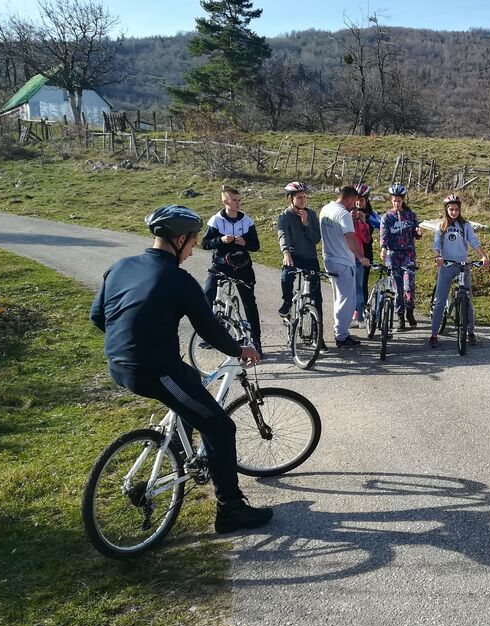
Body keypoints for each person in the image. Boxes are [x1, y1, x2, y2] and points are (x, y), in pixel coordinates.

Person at [89, 205, 271, 534]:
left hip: (117, 363)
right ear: (180, 239)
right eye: (193, 240)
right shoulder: (179, 279)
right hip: (155, 370)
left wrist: (131, 341)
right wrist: (240, 350)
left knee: (191, 385)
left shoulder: (120, 266)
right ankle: (230, 509)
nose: (194, 247)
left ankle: (178, 448)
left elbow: (98, 316)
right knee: (220, 428)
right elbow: (210, 330)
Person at [201, 185, 263, 354]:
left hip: (242, 266)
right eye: (234, 200)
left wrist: (245, 243)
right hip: (221, 265)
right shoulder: (216, 220)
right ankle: (208, 335)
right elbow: (204, 243)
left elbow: (256, 246)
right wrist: (220, 240)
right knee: (207, 294)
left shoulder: (247, 220)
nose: (238, 203)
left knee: (249, 303)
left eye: (239, 200)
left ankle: (256, 341)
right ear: (225, 201)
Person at [429, 194, 490, 348]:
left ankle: (470, 332)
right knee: (439, 301)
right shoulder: (441, 226)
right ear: (446, 210)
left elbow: (474, 241)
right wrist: (438, 256)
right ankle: (434, 334)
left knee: (468, 299)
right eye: (451, 209)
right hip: (446, 265)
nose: (454, 212)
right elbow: (436, 243)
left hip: (463, 266)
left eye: (456, 209)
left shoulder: (465, 226)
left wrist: (484, 256)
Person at [320, 185, 372, 347]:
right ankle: (342, 336)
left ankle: (339, 330)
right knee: (347, 301)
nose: (354, 206)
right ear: (350, 199)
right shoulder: (343, 214)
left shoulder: (326, 209)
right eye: (354, 202)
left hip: (329, 259)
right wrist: (361, 256)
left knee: (338, 297)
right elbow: (350, 236)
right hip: (343, 261)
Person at [277, 182, 322, 327]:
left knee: (316, 297)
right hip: (293, 256)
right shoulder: (285, 216)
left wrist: (306, 224)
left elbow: (316, 239)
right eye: (299, 197)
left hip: (310, 257)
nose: (302, 200)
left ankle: (317, 332)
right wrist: (286, 253)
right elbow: (283, 235)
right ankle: (287, 301)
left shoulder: (311, 214)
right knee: (286, 276)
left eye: (304, 197)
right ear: (291, 199)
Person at [380, 183, 422, 331]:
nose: (396, 204)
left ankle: (410, 310)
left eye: (399, 201)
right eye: (394, 201)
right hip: (393, 255)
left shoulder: (411, 216)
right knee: (397, 288)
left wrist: (418, 232)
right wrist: (383, 248)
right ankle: (400, 317)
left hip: (408, 254)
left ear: (403, 200)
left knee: (408, 286)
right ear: (391, 200)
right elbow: (384, 234)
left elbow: (417, 233)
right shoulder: (387, 217)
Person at [351, 183, 380, 327]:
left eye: (361, 200)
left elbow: (380, 225)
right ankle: (353, 311)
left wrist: (365, 219)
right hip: (351, 252)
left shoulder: (371, 214)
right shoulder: (349, 212)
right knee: (351, 284)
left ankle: (360, 312)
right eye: (356, 200)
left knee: (362, 283)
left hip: (365, 253)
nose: (358, 203)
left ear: (367, 200)